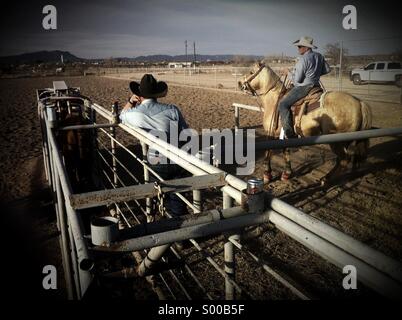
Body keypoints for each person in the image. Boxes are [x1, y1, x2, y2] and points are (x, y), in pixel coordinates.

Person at [119, 74, 189, 216]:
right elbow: (185, 133)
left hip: (157, 160)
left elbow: (121, 115)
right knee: (177, 196)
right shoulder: (172, 109)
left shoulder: (135, 114)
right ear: (157, 94)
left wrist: (131, 101)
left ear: (140, 95)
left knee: (159, 191)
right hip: (178, 157)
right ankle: (180, 226)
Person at [279, 36, 331, 138]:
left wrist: (288, 73)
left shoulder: (303, 60)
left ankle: (290, 135)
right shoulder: (319, 56)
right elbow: (327, 70)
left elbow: (297, 80)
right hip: (316, 86)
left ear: (306, 47)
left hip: (304, 88)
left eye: (299, 46)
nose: (298, 48)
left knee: (283, 105)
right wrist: (314, 74)